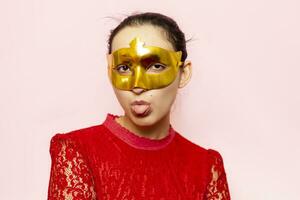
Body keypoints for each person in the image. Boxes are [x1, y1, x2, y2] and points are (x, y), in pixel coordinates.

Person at [47, 12, 231, 200]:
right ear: (110, 71)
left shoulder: (206, 166)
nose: (138, 85)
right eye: (124, 68)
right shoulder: (77, 151)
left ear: (183, 73)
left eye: (156, 66)